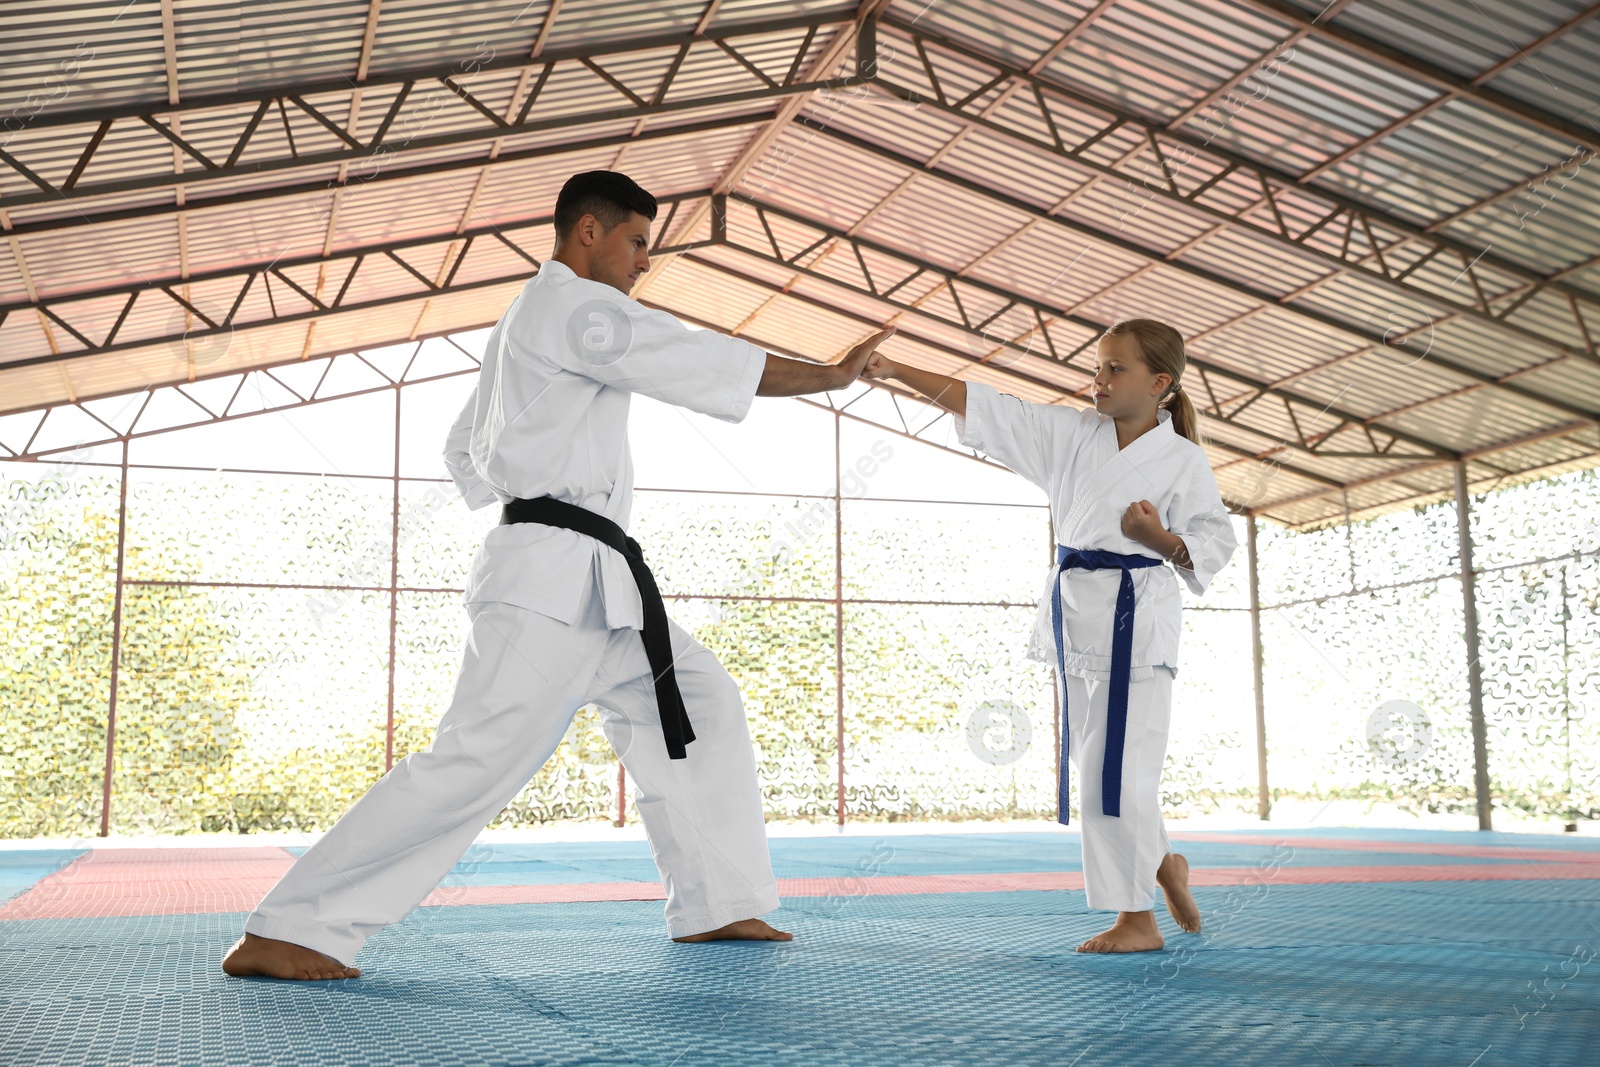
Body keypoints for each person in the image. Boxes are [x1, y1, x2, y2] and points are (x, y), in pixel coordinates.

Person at [223, 170, 895, 981]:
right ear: (588, 231)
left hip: (593, 577)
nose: (644, 261)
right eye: (637, 241)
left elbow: (463, 444)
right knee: (476, 757)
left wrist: (523, 487)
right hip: (549, 580)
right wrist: (828, 375)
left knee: (700, 701)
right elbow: (692, 356)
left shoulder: (524, 321)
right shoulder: (579, 310)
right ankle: (291, 924)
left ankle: (718, 900)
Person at [862, 318, 1236, 953]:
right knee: (1110, 768)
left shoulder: (1183, 460)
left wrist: (1159, 541)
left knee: (1108, 778)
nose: (1099, 380)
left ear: (1159, 383)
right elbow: (988, 407)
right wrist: (896, 370)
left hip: (1137, 626)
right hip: (1077, 620)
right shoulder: (1072, 434)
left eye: (1116, 369)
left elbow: (1214, 542)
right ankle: (1163, 864)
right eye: (1098, 366)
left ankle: (1135, 919)